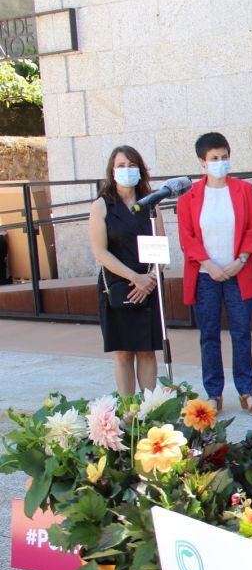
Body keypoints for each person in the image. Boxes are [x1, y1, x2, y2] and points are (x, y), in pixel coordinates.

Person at [176, 133, 252, 414]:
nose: (221, 163)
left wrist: (241, 260)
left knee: (241, 333)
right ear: (202, 162)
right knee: (209, 335)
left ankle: (246, 391)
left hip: (238, 272)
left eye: (225, 157)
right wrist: (209, 264)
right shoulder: (189, 198)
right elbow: (187, 238)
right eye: (214, 159)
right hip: (206, 276)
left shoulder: (244, 190)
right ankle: (213, 393)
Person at [88, 146, 163, 396]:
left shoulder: (151, 204)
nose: (127, 170)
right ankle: (127, 410)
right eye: (121, 166)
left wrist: (149, 280)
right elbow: (101, 252)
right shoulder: (102, 206)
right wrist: (134, 278)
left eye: (132, 165)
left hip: (149, 286)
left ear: (140, 169)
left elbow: (160, 248)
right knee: (123, 351)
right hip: (117, 285)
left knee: (146, 350)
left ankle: (150, 410)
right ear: (112, 170)